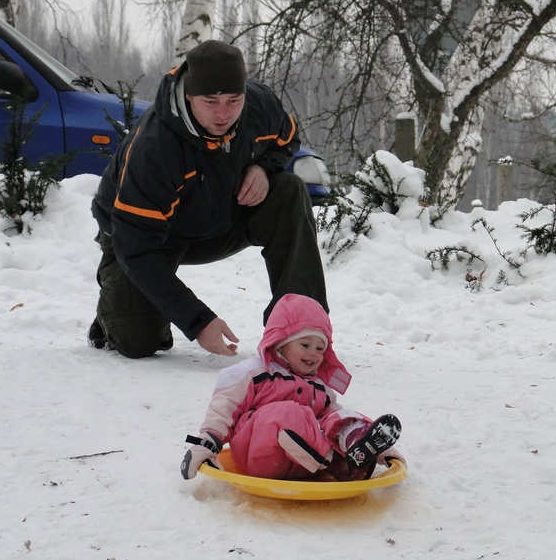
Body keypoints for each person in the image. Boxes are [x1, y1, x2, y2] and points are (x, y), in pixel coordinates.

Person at [89, 40, 328, 358]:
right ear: (189, 96)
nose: (223, 114)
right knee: (138, 341)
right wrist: (199, 321)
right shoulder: (155, 147)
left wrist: (263, 167)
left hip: (223, 214)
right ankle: (115, 303)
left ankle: (299, 326)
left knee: (289, 190)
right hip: (147, 238)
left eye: (233, 100)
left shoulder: (259, 106)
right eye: (211, 101)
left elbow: (287, 140)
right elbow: (136, 248)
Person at [180, 293, 404, 482]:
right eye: (305, 345)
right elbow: (224, 407)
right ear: (280, 344)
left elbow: (331, 420)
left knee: (339, 415)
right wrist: (207, 442)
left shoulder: (319, 387)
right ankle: (333, 460)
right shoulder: (256, 372)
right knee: (288, 413)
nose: (313, 354)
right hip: (258, 455)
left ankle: (361, 445)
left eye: (320, 348)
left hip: (300, 462)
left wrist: (377, 449)